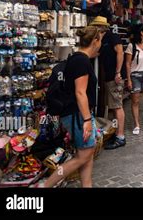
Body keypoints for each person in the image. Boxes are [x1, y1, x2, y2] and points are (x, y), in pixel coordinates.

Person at [44, 26, 105, 187]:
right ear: (95, 41)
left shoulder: (79, 59)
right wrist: (86, 120)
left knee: (87, 154)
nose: (101, 44)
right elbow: (80, 92)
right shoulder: (81, 61)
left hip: (78, 115)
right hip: (77, 115)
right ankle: (46, 185)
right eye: (100, 40)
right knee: (82, 157)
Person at [90, 16, 126, 150]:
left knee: (117, 106)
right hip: (109, 77)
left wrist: (118, 72)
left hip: (114, 77)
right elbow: (95, 54)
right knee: (114, 106)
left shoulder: (112, 36)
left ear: (101, 27)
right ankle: (117, 133)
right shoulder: (101, 39)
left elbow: (120, 53)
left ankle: (120, 137)